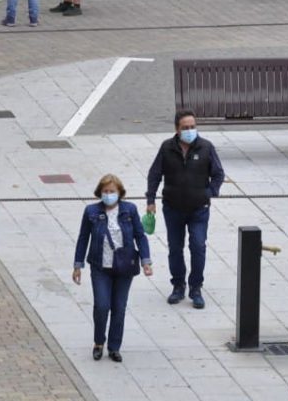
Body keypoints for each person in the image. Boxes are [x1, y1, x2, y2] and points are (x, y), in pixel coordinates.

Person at [145, 111, 226, 309]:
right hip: (172, 208)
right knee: (175, 248)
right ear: (177, 129)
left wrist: (210, 193)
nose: (190, 131)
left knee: (198, 246)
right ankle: (178, 285)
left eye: (192, 126)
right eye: (185, 127)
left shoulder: (206, 147)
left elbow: (218, 174)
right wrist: (151, 199)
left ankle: (196, 287)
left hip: (199, 209)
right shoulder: (167, 148)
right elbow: (154, 174)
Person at [73, 175, 153, 362]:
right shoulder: (91, 211)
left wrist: (146, 261)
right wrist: (78, 265)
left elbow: (140, 236)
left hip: (124, 266)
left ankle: (114, 347)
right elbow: (83, 238)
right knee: (102, 306)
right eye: (105, 192)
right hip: (100, 266)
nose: (109, 195)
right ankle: (99, 342)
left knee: (119, 307)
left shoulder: (129, 210)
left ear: (120, 193)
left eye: (112, 191)